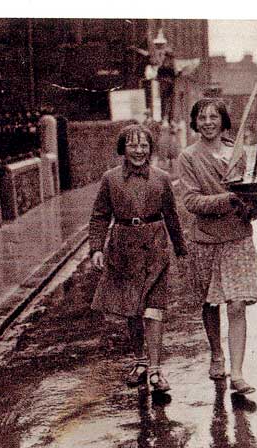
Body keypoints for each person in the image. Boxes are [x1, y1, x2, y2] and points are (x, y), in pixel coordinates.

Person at [89, 123, 187, 394]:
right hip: (123, 248)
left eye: (144, 145)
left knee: (154, 309)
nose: (139, 151)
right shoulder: (110, 179)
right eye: (132, 145)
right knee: (132, 309)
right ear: (123, 148)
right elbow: (99, 216)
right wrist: (96, 248)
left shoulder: (161, 178)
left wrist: (181, 250)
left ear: (150, 149)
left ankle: (155, 370)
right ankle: (140, 361)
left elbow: (173, 217)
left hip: (155, 246)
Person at [178, 97, 257, 395]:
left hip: (238, 238)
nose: (208, 122)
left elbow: (248, 198)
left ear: (224, 121)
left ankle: (237, 373)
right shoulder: (188, 157)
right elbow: (191, 201)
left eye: (214, 117)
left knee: (237, 303)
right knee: (210, 302)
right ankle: (216, 353)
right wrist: (227, 200)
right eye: (202, 117)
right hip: (206, 240)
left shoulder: (239, 153)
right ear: (195, 122)